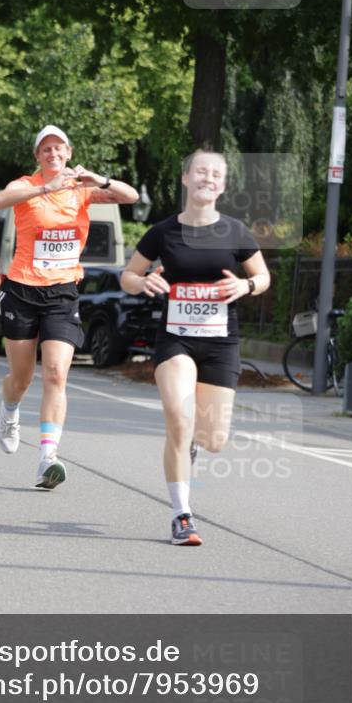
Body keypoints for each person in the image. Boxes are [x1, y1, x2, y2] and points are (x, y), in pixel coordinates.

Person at [120, 149, 270, 546]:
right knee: (179, 419)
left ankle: (191, 449)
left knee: (212, 439)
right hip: (176, 339)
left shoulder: (236, 232)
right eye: (200, 171)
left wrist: (245, 286)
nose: (208, 178)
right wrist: (143, 281)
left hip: (221, 342)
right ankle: (181, 515)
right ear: (186, 178)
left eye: (216, 174)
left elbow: (263, 276)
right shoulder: (163, 232)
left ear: (223, 184)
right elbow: (129, 275)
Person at [0, 125, 138, 489]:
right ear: (37, 157)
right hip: (23, 290)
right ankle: (9, 413)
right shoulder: (24, 186)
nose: (52, 154)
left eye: (58, 148)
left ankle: (47, 458)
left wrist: (99, 179)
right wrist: (45, 188)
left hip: (62, 293)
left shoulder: (82, 189)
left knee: (56, 374)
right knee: (21, 379)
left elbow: (131, 196)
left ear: (69, 153)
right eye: (45, 149)